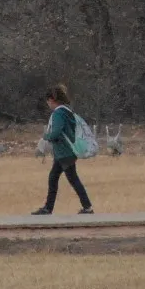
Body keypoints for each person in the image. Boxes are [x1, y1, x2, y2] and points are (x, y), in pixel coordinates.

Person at [32, 84, 93, 215]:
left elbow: (56, 132)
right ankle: (48, 208)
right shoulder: (68, 111)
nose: (48, 104)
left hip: (64, 152)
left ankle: (87, 207)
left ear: (52, 100)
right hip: (66, 152)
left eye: (48, 101)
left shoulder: (58, 113)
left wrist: (46, 136)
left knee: (71, 179)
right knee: (54, 177)